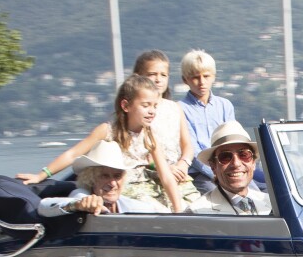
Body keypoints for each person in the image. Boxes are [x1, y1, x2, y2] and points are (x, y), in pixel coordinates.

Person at [18, 76, 184, 212]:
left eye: (155, 106)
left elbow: (165, 175)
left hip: (141, 186)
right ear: (126, 106)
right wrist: (41, 175)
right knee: (150, 207)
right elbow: (73, 154)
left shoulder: (150, 135)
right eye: (145, 105)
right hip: (119, 188)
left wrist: (178, 209)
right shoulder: (107, 130)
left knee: (172, 205)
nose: (152, 111)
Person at [131, 49, 200, 205]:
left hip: (178, 173)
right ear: (138, 77)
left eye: (163, 75)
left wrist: (183, 164)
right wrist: (166, 168)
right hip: (149, 173)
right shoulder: (139, 112)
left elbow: (187, 145)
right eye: (152, 74)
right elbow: (139, 149)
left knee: (197, 206)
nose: (158, 79)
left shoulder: (175, 108)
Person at [40, 141, 167, 217]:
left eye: (117, 176)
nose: (112, 183)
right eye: (105, 176)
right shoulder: (82, 195)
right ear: (91, 179)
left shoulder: (133, 205)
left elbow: (149, 212)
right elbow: (44, 206)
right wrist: (77, 205)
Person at [178, 49, 238, 195]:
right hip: (200, 172)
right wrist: (216, 173)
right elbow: (192, 150)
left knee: (264, 189)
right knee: (220, 195)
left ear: (214, 77)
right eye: (195, 77)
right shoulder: (180, 109)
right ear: (185, 80)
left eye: (206, 76)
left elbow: (233, 139)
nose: (202, 82)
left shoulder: (224, 105)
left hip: (228, 167)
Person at [189, 121, 273, 215]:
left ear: (253, 162)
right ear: (213, 167)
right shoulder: (197, 213)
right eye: (225, 157)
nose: (236, 163)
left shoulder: (273, 205)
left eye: (244, 155)